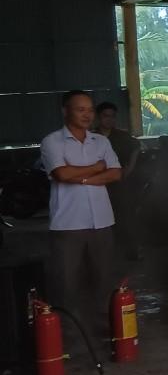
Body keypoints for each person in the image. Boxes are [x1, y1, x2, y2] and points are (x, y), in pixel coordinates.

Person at [40, 90, 121, 347]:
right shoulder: (52, 142)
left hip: (102, 221)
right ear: (66, 111)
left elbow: (116, 173)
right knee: (67, 281)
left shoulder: (101, 142)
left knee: (104, 277)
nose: (87, 114)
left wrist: (83, 178)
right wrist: (97, 169)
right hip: (68, 224)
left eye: (90, 109)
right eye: (80, 109)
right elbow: (62, 174)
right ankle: (68, 333)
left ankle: (104, 328)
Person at [94, 101, 141, 261]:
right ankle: (106, 254)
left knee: (126, 217)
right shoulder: (92, 137)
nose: (109, 120)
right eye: (106, 116)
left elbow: (136, 147)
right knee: (103, 219)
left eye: (112, 116)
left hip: (121, 184)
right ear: (99, 117)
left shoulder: (122, 136)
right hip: (100, 185)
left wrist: (129, 168)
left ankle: (131, 254)